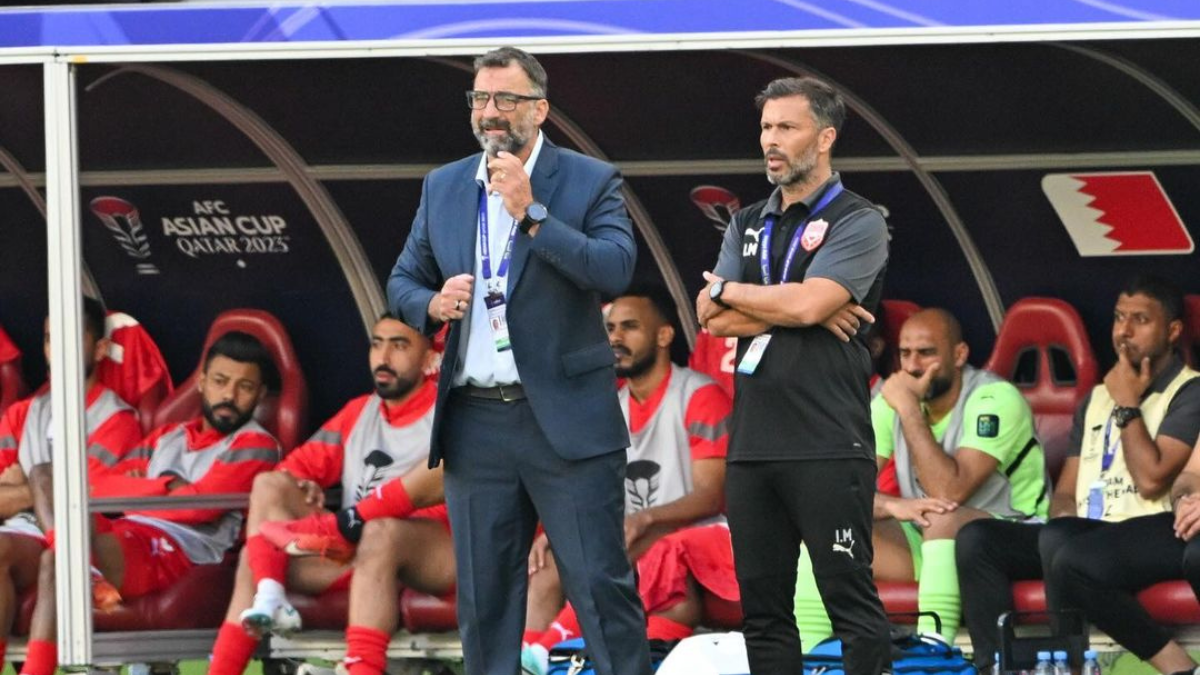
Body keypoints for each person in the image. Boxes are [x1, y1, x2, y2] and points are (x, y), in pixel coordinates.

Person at [385, 46, 650, 675]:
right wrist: (431, 302)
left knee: (599, 587)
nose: (490, 112)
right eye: (480, 98)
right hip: (477, 421)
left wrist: (532, 214)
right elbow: (400, 280)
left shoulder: (588, 179)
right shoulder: (444, 184)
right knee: (485, 602)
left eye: (506, 99)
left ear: (541, 108)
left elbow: (616, 268)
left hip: (564, 420)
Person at [694, 76, 890, 675]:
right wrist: (792, 306)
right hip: (752, 447)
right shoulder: (747, 220)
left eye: (786, 128)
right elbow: (710, 316)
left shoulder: (860, 220)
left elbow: (801, 305)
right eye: (765, 129)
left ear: (825, 137)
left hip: (828, 442)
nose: (770, 142)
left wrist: (739, 293)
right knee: (764, 613)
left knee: (849, 605)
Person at [956, 275, 1200, 674]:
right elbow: (1067, 490)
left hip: (1140, 530)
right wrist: (1064, 512)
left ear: (1172, 331)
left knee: (1059, 540)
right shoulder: (1097, 396)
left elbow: (1152, 479)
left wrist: (1126, 404)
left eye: (1140, 320)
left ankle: (1067, 667)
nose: (1124, 331)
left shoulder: (1189, 391)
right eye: (1120, 318)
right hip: (1081, 529)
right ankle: (997, 668)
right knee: (978, 540)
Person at [18, 331, 282, 675]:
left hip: (185, 549)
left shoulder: (256, 443)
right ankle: (80, 564)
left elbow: (196, 509)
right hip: (130, 530)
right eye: (220, 381)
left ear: (260, 395)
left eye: (245, 388)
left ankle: (77, 571)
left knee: (58, 562)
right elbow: (95, 485)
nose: (229, 395)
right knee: (44, 475)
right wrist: (168, 485)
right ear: (201, 383)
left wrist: (141, 491)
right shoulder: (167, 436)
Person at [206, 315, 454, 675]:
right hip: (359, 545)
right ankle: (267, 601)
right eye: (376, 343)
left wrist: (351, 526)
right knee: (265, 508)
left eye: (399, 345)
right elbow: (291, 469)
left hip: (426, 552)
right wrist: (303, 484)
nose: (383, 356)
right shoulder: (359, 411)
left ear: (430, 359)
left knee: (381, 532)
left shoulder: (447, 411)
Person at [795, 308, 1048, 645]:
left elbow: (949, 492)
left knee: (940, 517)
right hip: (929, 541)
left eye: (926, 353)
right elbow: (838, 490)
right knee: (827, 521)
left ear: (959, 355)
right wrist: (891, 506)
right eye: (905, 353)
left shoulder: (993, 398)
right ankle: (806, 656)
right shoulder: (893, 401)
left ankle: (933, 655)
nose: (912, 366)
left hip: (1016, 535)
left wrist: (910, 410)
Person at [521, 287, 734, 674]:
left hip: (706, 537)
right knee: (548, 563)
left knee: (640, 542)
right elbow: (590, 494)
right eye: (611, 328)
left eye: (630, 327)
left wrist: (645, 519)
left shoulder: (700, 395)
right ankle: (522, 661)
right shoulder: (610, 407)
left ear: (664, 336)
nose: (615, 338)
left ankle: (548, 646)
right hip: (633, 546)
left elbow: (711, 496)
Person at [0, 297, 142, 669]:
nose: (57, 349)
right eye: (50, 339)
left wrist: (20, 485)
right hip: (23, 531)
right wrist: (38, 490)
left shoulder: (117, 418)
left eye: (70, 338)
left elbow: (81, 493)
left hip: (84, 532)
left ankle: (70, 558)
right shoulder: (21, 413)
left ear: (98, 348)